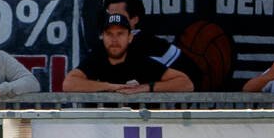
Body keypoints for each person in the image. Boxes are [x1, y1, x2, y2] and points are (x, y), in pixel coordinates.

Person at [64, 13, 195, 94]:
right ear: (102, 37)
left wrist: (145, 88)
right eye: (109, 34)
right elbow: (69, 83)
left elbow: (186, 84)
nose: (114, 39)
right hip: (102, 131)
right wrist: (110, 87)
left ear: (130, 37)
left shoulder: (139, 60)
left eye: (120, 34)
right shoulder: (97, 58)